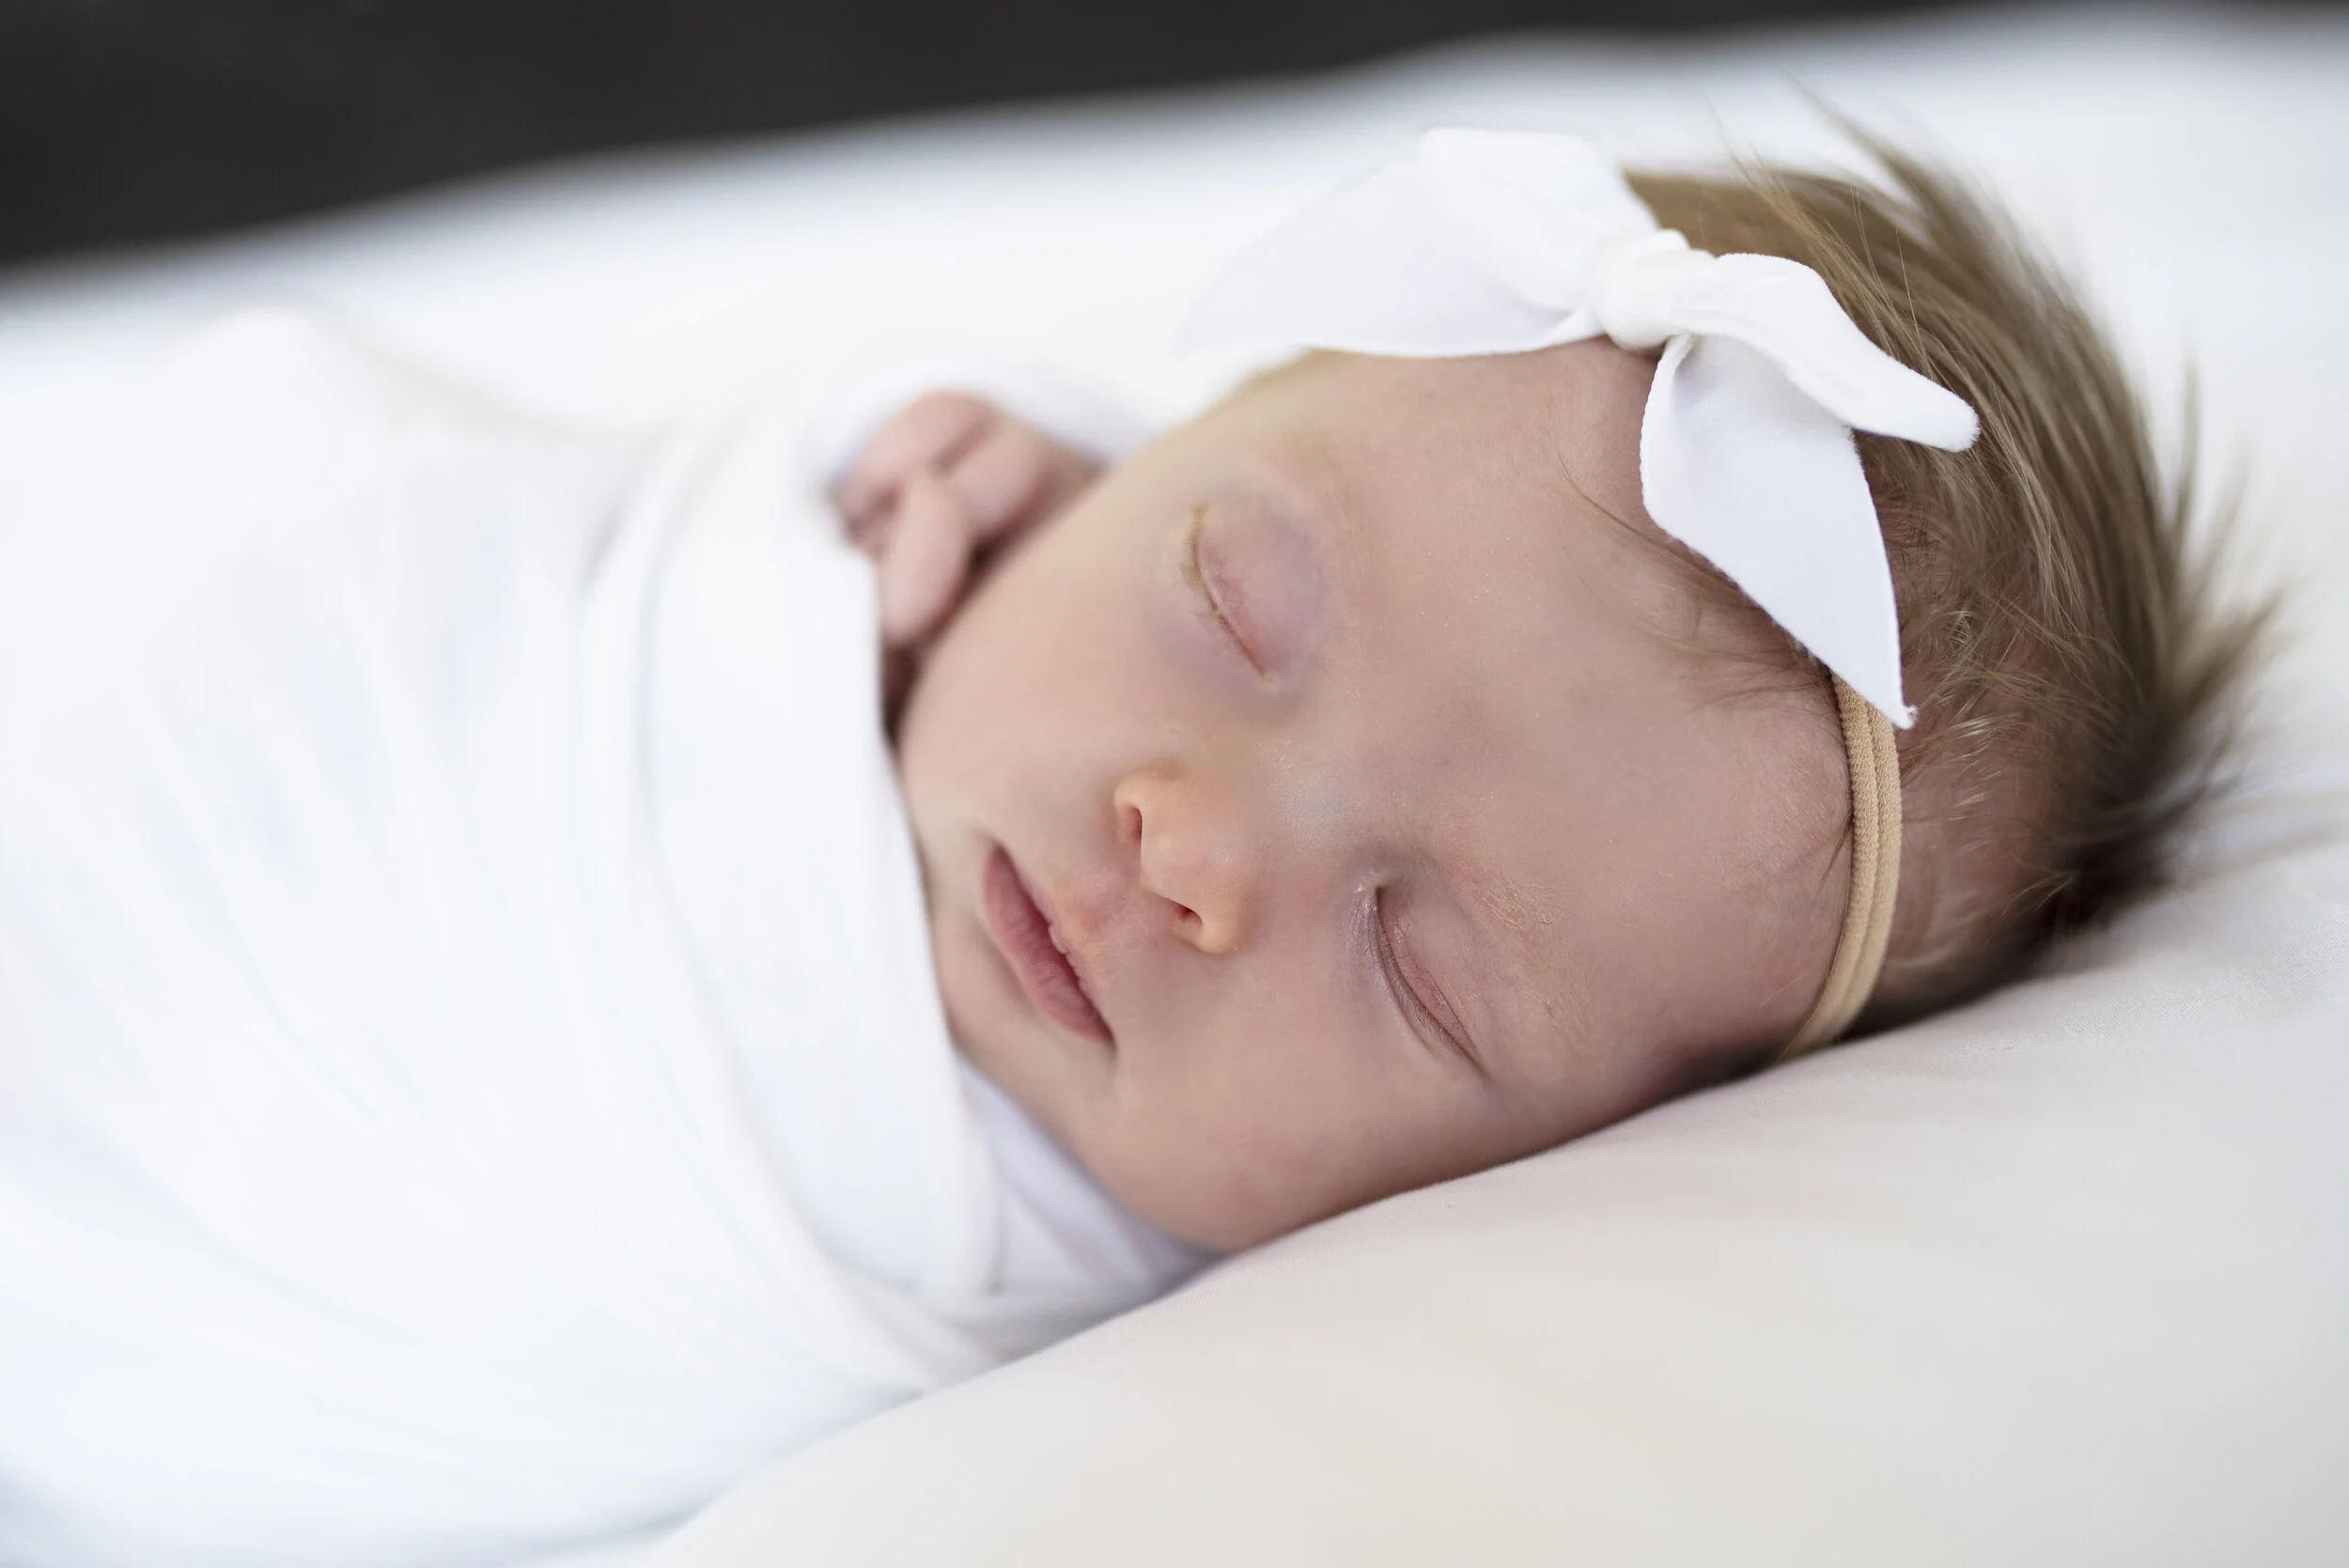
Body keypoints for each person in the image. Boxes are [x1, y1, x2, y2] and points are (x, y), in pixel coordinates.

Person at [0, 129, 2258, 1566]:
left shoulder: (1206, 1331)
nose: (1186, 847)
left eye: (1419, 965)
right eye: (1228, 605)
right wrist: (882, 485)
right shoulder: (943, 538)